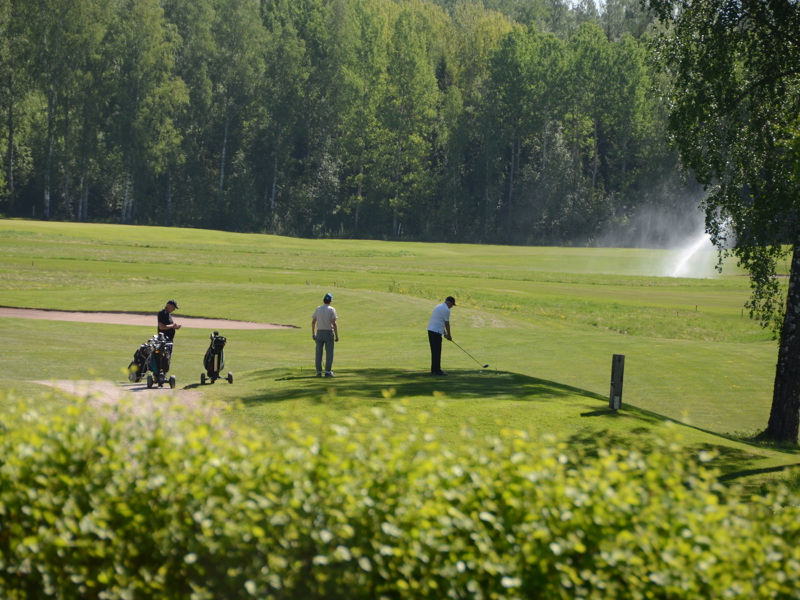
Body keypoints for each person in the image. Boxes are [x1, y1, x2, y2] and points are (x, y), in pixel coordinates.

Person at [311, 293, 339, 377]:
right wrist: (337, 336)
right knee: (329, 353)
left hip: (319, 332)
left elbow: (313, 322)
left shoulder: (318, 308)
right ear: (330, 301)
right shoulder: (332, 309)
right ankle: (327, 371)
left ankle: (319, 372)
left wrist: (313, 334)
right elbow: (334, 323)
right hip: (328, 332)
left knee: (318, 353)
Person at [427, 296, 455, 376]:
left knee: (434, 351)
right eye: (452, 305)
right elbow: (447, 324)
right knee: (437, 351)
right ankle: (437, 371)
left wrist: (445, 334)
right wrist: (449, 335)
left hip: (431, 330)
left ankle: (434, 370)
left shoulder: (438, 306)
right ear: (449, 302)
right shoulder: (446, 310)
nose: (451, 307)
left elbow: (439, 322)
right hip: (436, 332)